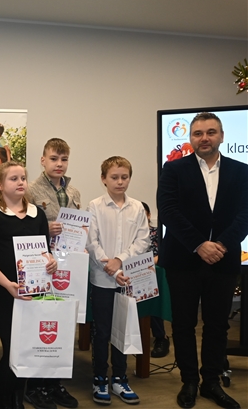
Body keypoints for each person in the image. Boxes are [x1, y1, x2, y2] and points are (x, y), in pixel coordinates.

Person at [157, 112, 248, 409]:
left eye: (210, 132)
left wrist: (219, 245)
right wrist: (199, 245)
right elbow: (168, 211)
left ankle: (211, 382)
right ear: (190, 138)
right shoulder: (173, 169)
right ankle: (189, 382)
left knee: (217, 325)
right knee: (183, 324)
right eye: (198, 133)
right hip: (183, 260)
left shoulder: (242, 171)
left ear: (221, 136)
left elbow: (245, 214)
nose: (204, 138)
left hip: (224, 259)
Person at [0, 161, 58, 409]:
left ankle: (17, 399)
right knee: (12, 350)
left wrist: (51, 261)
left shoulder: (37, 214)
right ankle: (6, 402)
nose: (21, 182)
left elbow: (45, 250)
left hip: (33, 294)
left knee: (26, 349)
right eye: (14, 178)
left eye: (23, 178)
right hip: (5, 293)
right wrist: (8, 285)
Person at [86, 156, 149, 406]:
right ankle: (100, 378)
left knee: (123, 330)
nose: (120, 181)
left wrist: (120, 260)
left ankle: (120, 378)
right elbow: (92, 242)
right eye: (114, 177)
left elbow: (142, 241)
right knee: (102, 331)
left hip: (128, 279)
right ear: (104, 179)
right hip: (102, 279)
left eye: (124, 177)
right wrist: (110, 267)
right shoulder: (94, 206)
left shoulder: (137, 208)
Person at [25, 138, 81, 409]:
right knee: (41, 324)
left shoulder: (74, 192)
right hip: (42, 265)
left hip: (68, 267)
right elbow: (22, 228)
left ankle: (54, 383)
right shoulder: (30, 190)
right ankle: (35, 386)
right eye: (54, 159)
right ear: (43, 160)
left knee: (62, 323)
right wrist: (45, 229)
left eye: (64, 159)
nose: (59, 164)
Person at [141, 201, 170, 359]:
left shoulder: (157, 232)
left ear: (149, 215)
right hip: (127, 273)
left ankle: (161, 337)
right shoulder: (127, 234)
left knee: (152, 300)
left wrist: (148, 263)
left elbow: (163, 254)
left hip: (151, 273)